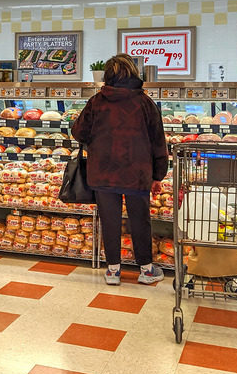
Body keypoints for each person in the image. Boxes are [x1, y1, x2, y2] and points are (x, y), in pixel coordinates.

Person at [71, 53, 168, 286]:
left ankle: (113, 271)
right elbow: (158, 142)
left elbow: (78, 133)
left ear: (108, 76)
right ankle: (146, 269)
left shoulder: (97, 101)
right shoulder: (145, 103)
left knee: (110, 221)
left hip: (103, 173)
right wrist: (158, 175)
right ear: (134, 74)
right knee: (139, 221)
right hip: (137, 174)